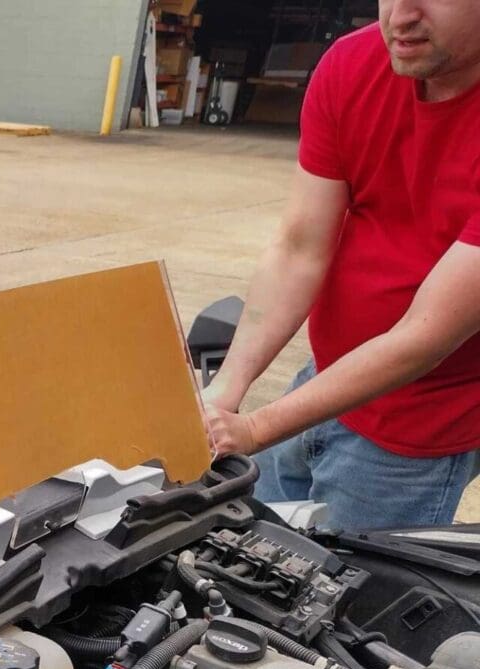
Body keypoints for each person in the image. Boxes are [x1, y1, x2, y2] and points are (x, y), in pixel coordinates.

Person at [204, 0, 480, 530]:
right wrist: (226, 392)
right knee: (240, 550)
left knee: (335, 600)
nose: (399, 16)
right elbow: (300, 246)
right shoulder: (352, 65)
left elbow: (426, 336)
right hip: (324, 380)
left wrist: (256, 429)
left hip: (418, 431)